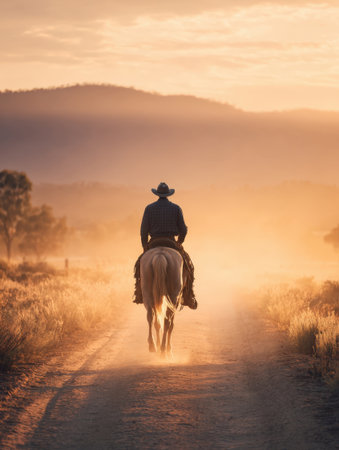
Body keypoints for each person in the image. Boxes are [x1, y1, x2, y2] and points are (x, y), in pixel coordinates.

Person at [133, 182, 197, 309]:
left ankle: (139, 294)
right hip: (171, 242)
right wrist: (180, 242)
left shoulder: (149, 208)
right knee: (189, 266)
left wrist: (145, 247)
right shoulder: (176, 208)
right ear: (168, 194)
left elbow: (143, 231)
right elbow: (183, 229)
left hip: (154, 242)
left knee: (138, 267)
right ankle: (189, 296)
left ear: (157, 194)